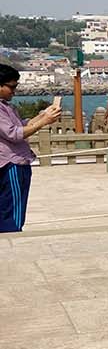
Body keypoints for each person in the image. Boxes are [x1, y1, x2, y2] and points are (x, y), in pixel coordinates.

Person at [0, 65, 62, 233]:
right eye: (11, 87)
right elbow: (14, 134)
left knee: (11, 205)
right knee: (12, 209)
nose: (14, 91)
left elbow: (22, 126)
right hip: (10, 162)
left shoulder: (6, 106)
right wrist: (44, 122)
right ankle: (10, 236)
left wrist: (44, 115)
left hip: (17, 161)